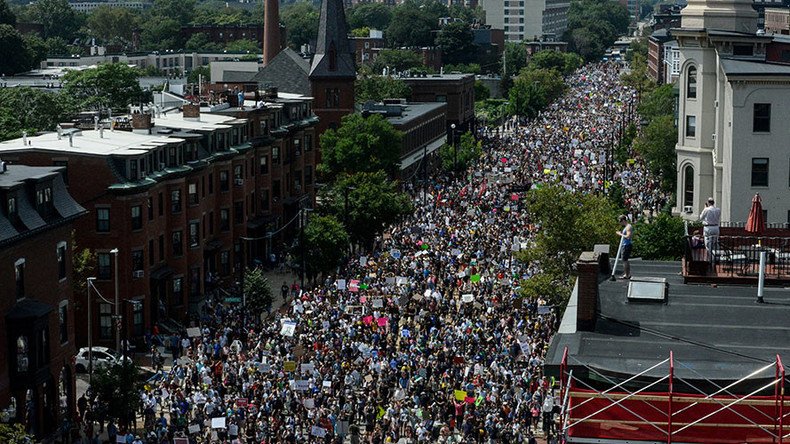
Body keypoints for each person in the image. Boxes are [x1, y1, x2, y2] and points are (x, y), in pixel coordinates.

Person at [616, 215, 633, 279]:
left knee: (624, 260)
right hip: (625, 245)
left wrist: (619, 234)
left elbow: (628, 236)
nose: (620, 223)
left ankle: (627, 274)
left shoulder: (628, 227)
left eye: (620, 221)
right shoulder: (626, 227)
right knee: (625, 260)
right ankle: (627, 274)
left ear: (623, 220)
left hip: (626, 245)